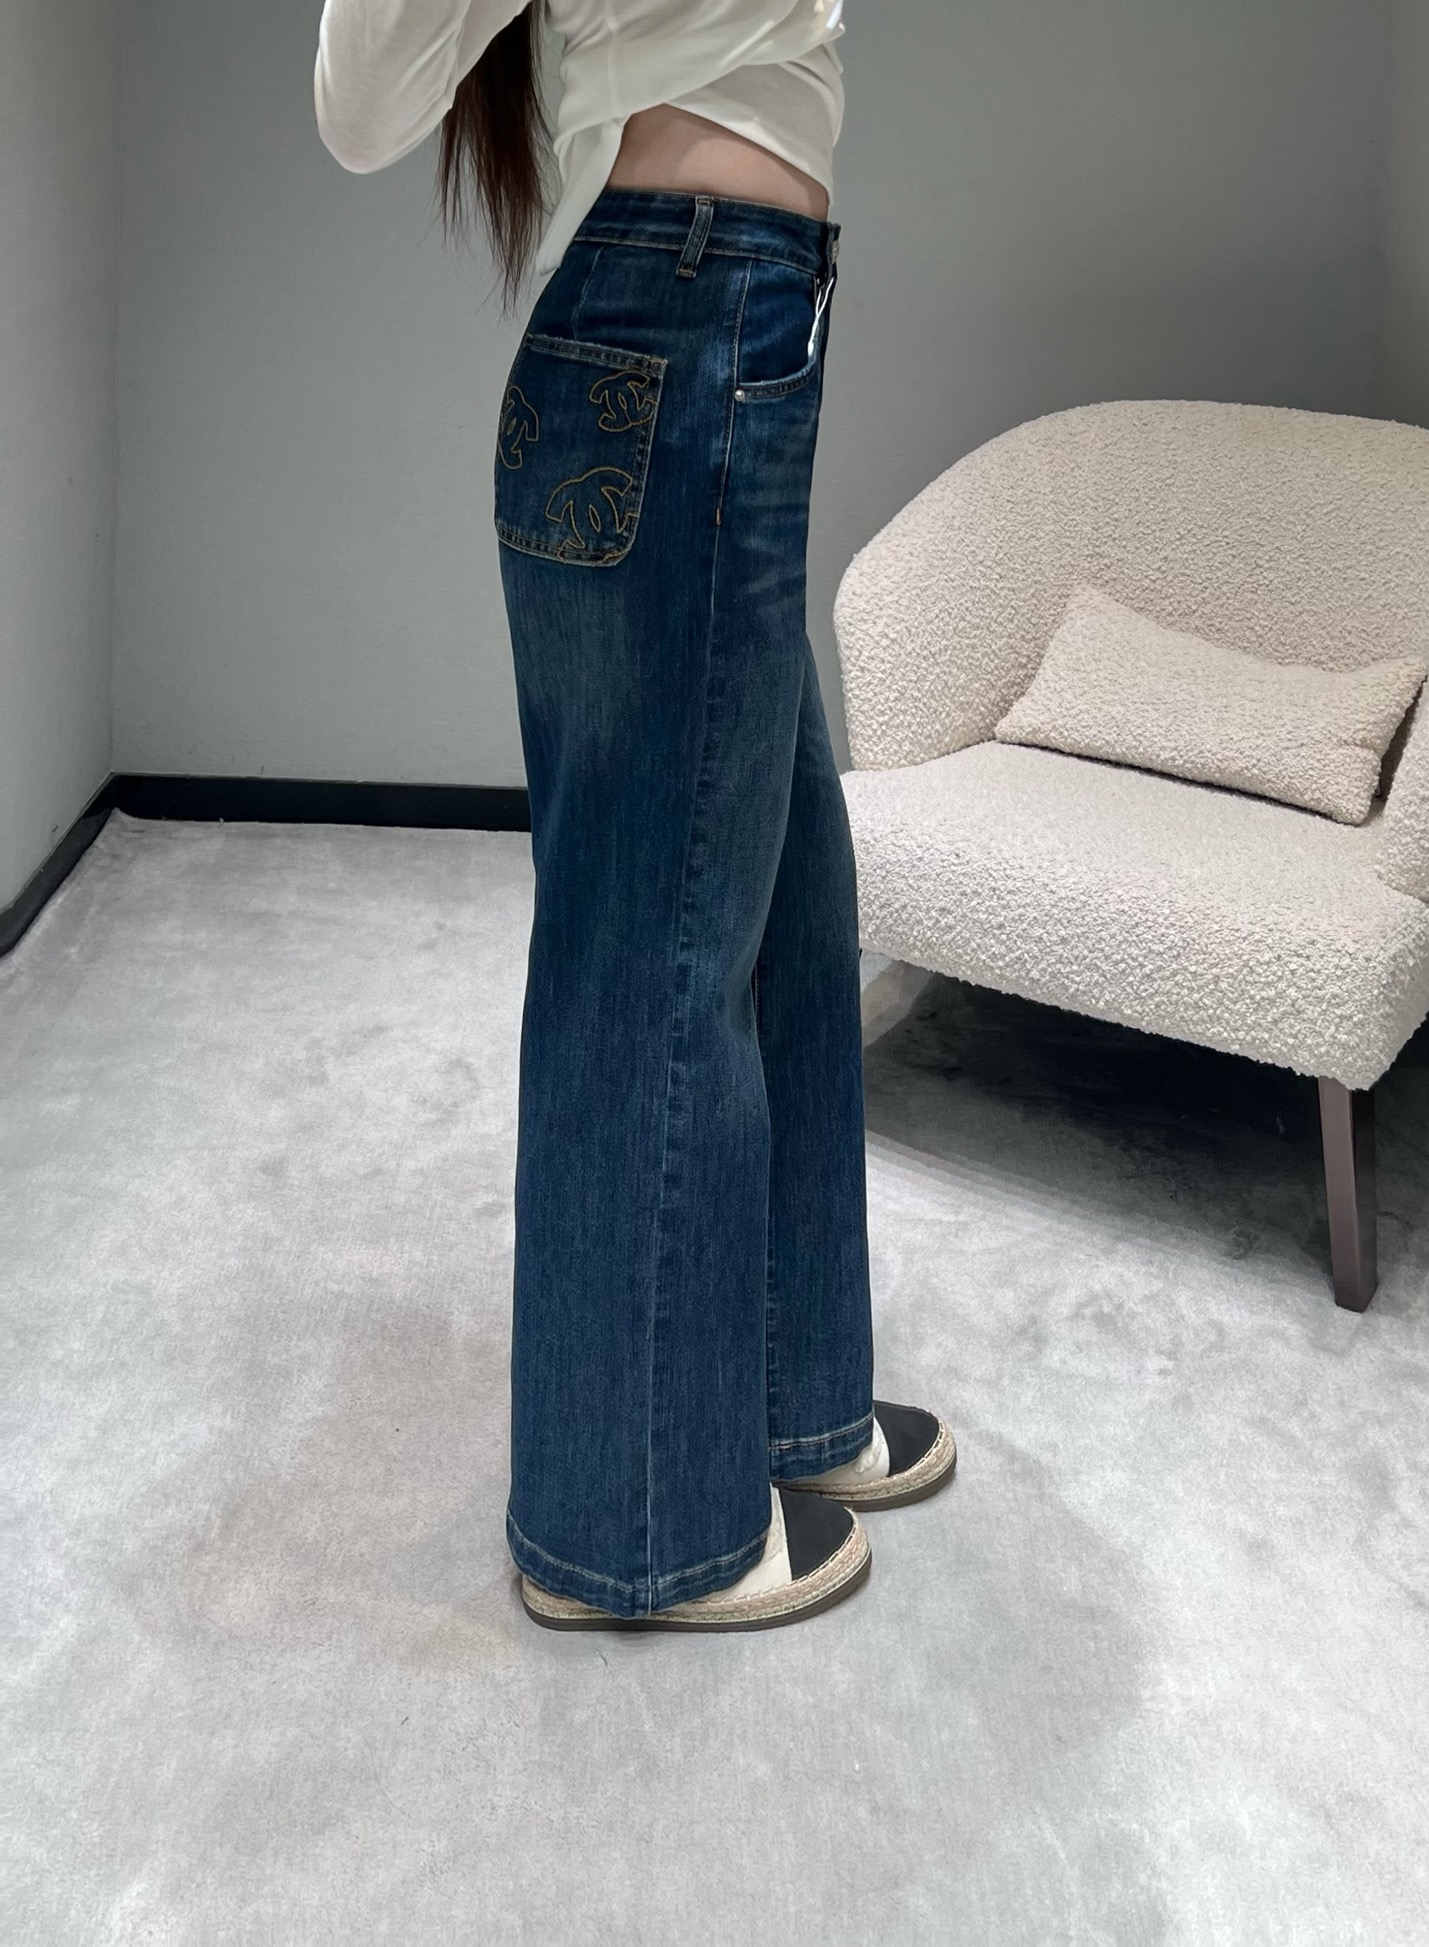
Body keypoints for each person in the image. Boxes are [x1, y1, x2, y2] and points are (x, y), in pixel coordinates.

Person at [313, 0, 955, 1632]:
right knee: (656, 940)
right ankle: (632, 1525)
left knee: (790, 902)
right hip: (682, 330)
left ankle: (788, 1402)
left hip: (722, 320)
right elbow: (360, 103)